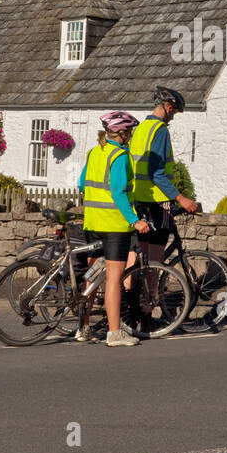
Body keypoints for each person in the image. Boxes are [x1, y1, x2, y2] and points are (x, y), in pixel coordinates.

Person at [76, 110, 151, 346]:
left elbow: (81, 184)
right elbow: (118, 192)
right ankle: (114, 332)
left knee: (92, 279)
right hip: (114, 227)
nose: (130, 135)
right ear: (121, 132)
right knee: (113, 279)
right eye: (129, 131)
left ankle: (83, 328)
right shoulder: (119, 156)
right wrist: (134, 220)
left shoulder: (95, 152)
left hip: (92, 223)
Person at [129, 87, 201, 272]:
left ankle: (137, 297)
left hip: (138, 198)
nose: (173, 117)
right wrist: (180, 198)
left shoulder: (140, 128)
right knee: (155, 257)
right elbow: (156, 173)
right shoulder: (160, 130)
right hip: (158, 201)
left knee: (142, 256)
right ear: (168, 107)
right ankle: (153, 299)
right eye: (174, 113)